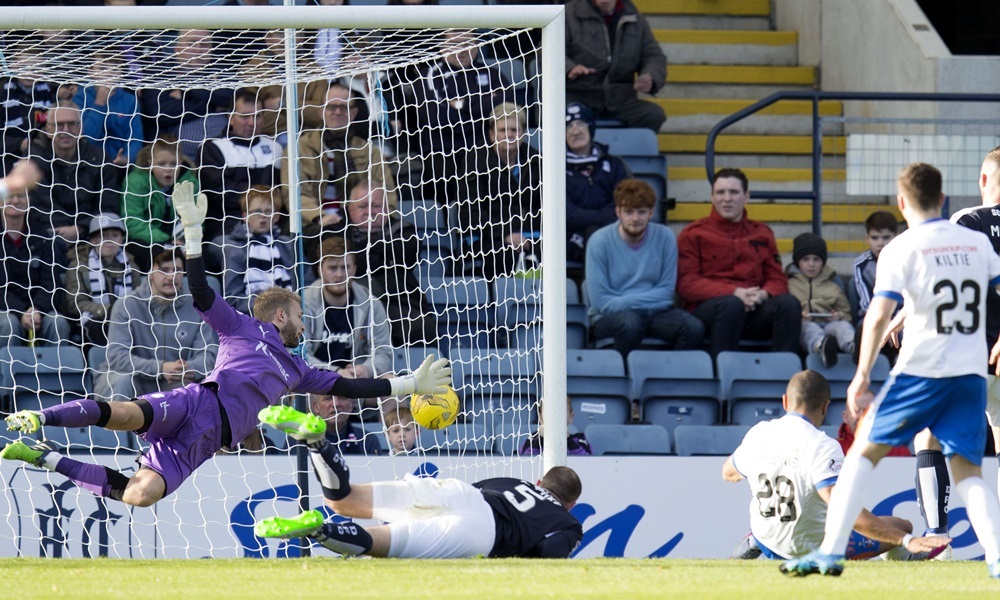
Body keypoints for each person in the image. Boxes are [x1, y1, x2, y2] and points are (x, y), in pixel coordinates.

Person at [1, 180, 451, 508]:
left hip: (203, 443)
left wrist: (410, 382)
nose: (303, 324)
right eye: (298, 317)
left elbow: (350, 389)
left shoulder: (297, 370)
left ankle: (43, 456)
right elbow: (199, 293)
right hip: (194, 403)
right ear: (281, 316)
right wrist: (193, 236)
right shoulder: (239, 327)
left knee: (140, 495)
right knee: (124, 414)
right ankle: (39, 417)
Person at [780, 163, 1000, 579]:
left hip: (923, 370)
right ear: (942, 199)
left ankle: (828, 553)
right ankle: (996, 556)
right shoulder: (976, 245)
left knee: (862, 454)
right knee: (968, 470)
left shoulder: (902, 247)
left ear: (902, 203)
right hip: (970, 372)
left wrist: (862, 374)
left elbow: (878, 315)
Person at [254, 404, 583, 559]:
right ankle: (317, 530)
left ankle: (318, 444)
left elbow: (480, 491)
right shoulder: (567, 521)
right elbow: (549, 550)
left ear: (539, 481)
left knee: (343, 500)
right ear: (571, 504)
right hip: (483, 534)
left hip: (460, 493)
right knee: (380, 542)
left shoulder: (513, 481)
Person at [724, 370, 937, 561]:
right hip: (809, 549)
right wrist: (905, 539)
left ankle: (754, 540)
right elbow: (844, 509)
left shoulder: (759, 433)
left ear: (785, 402)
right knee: (902, 527)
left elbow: (728, 472)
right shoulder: (822, 445)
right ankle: (908, 558)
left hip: (766, 537)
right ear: (826, 406)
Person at [677, 168, 801, 355]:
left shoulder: (762, 233)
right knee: (730, 304)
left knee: (789, 304)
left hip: (754, 310)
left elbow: (777, 280)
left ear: (746, 196)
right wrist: (734, 293)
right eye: (720, 192)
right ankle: (723, 375)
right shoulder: (693, 234)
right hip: (710, 312)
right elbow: (687, 284)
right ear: (712, 196)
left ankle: (784, 376)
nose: (727, 198)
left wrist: (762, 295)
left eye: (734, 192)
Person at [586, 179, 704, 357]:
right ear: (618, 212)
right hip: (612, 316)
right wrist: (642, 303)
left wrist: (631, 301)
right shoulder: (599, 241)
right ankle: (623, 380)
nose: (635, 218)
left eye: (641, 212)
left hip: (656, 312)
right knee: (630, 323)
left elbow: (666, 291)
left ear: (651, 212)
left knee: (693, 327)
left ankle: (671, 380)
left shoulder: (665, 236)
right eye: (629, 212)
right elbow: (600, 302)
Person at [93, 248, 217, 401]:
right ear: (150, 272)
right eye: (164, 270)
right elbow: (117, 357)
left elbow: (209, 355)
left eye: (177, 270)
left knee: (187, 391)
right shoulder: (126, 305)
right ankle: (116, 424)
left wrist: (186, 368)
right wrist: (161, 368)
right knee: (122, 382)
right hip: (130, 379)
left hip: (171, 381)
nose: (172, 276)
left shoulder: (196, 306)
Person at [285, 82, 398, 243]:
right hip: (317, 225)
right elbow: (295, 194)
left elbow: (388, 194)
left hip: (364, 224)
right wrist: (319, 217)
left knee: (406, 237)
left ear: (353, 113)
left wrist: (372, 218)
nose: (337, 112)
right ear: (320, 111)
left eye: (344, 107)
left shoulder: (370, 151)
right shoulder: (300, 148)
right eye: (331, 107)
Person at [950, 145, 1000, 502]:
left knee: (932, 438)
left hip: (969, 352)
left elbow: (944, 281)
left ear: (983, 178)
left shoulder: (967, 219)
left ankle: (938, 534)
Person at [410, 29, 512, 203]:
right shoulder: (428, 76)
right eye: (455, 44)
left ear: (477, 47)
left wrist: (460, 105)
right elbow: (436, 118)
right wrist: (484, 105)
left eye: (467, 44)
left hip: (484, 147)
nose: (462, 50)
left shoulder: (492, 74)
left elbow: (508, 107)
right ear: (442, 48)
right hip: (444, 151)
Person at [341, 181, 436, 346]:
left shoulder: (404, 230)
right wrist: (385, 253)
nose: (370, 212)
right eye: (362, 206)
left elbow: (407, 253)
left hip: (398, 306)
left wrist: (359, 252)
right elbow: (335, 259)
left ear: (387, 209)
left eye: (376, 206)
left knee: (422, 326)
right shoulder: (336, 231)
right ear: (349, 209)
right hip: (352, 307)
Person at [459, 102, 541, 278]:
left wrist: (522, 235)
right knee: (506, 257)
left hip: (529, 235)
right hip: (488, 238)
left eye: (514, 130)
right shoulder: (475, 163)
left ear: (523, 134)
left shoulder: (536, 162)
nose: (509, 135)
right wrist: (505, 235)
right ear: (491, 134)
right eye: (503, 130)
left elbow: (543, 209)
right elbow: (469, 214)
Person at [28, 101, 123, 245]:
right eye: (59, 125)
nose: (66, 130)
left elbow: (107, 205)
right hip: (49, 233)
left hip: (91, 233)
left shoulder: (100, 159)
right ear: (48, 130)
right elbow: (39, 206)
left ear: (80, 128)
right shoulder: (33, 159)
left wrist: (80, 228)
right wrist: (68, 230)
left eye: (72, 124)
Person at [564, 0, 666, 132]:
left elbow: (654, 56)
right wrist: (570, 68)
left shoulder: (635, 18)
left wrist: (650, 77)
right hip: (579, 95)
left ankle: (624, 151)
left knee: (653, 115)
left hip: (620, 100)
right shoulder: (568, 14)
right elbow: (545, 50)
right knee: (559, 113)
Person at [197, 88, 284, 240]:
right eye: (245, 116)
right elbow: (219, 195)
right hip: (227, 224)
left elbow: (281, 191)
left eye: (257, 116)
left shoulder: (275, 148)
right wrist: (258, 198)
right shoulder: (212, 147)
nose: (252, 122)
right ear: (230, 117)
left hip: (271, 221)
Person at [303, 235, 393, 379]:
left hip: (357, 382)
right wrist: (336, 372)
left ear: (354, 269)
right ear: (320, 270)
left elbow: (383, 353)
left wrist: (365, 369)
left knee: (393, 389)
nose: (340, 274)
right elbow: (300, 357)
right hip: (318, 382)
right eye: (332, 268)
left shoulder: (371, 305)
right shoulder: (302, 304)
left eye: (345, 267)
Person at [139, 29, 233, 159]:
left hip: (224, 155)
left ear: (211, 50)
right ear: (177, 49)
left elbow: (232, 98)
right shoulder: (158, 75)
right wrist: (212, 107)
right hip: (177, 159)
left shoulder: (223, 74)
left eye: (204, 44)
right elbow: (159, 112)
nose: (198, 49)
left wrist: (186, 92)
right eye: (192, 43)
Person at [206, 185, 298, 315]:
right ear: (245, 216)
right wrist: (268, 307)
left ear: (276, 217)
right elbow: (233, 298)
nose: (262, 216)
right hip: (251, 317)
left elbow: (306, 283)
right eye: (256, 211)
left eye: (268, 211)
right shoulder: (234, 248)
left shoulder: (287, 245)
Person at [0, 187, 70, 346]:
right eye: (10, 196)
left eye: (21, 196)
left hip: (38, 309)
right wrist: (21, 312)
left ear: (29, 200)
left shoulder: (43, 237)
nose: (16, 200)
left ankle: (55, 371)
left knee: (58, 323)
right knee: (7, 324)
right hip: (5, 309)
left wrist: (36, 309)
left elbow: (51, 283)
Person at [120, 136, 200, 272]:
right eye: (162, 164)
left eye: (173, 164)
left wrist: (186, 239)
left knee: (201, 256)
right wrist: (166, 240)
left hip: (180, 239)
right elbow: (132, 223)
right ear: (150, 163)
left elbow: (197, 220)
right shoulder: (135, 182)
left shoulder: (190, 183)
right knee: (152, 253)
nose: (168, 169)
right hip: (148, 239)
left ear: (181, 162)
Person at [565, 102, 629, 266]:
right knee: (593, 235)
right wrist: (600, 218)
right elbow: (565, 212)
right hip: (570, 235)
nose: (576, 131)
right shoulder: (554, 167)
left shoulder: (614, 164)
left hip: (612, 229)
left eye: (581, 124)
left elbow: (625, 201)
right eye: (569, 126)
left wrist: (600, 220)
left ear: (591, 128)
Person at [63, 212, 139, 347]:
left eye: (115, 236)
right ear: (93, 240)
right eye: (103, 236)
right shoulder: (78, 266)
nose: (109, 241)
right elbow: (75, 303)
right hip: (91, 321)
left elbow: (139, 298)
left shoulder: (131, 266)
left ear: (121, 239)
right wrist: (108, 310)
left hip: (127, 318)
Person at [785, 233, 855, 368]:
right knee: (808, 328)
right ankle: (821, 347)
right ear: (797, 261)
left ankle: (853, 346)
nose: (811, 264)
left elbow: (846, 313)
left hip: (829, 325)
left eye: (816, 259)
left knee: (842, 327)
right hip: (802, 325)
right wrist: (798, 316)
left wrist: (838, 317)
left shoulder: (833, 286)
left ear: (823, 261)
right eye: (806, 259)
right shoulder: (789, 284)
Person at [74, 52, 144, 165]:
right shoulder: (80, 98)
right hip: (86, 162)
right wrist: (99, 103)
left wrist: (127, 158)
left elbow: (135, 136)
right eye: (102, 68)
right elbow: (85, 138)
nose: (109, 74)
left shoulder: (130, 101)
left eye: (115, 69)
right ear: (90, 71)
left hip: (119, 163)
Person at [852, 210, 899, 325]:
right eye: (875, 238)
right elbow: (866, 303)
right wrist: (884, 321)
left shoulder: (905, 260)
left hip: (902, 319)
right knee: (863, 327)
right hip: (872, 318)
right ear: (866, 238)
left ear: (896, 237)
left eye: (886, 237)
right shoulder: (861, 264)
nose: (880, 243)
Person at [837, 389, 909, 458]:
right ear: (845, 417)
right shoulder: (834, 448)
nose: (862, 415)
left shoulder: (899, 451)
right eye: (856, 410)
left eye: (868, 410)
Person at [307, 392, 382, 455]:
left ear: (351, 405)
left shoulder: (368, 441)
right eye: (328, 398)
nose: (335, 404)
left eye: (342, 398)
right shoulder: (301, 441)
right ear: (316, 407)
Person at [519, 397, 592, 457]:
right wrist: (541, 440)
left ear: (571, 417)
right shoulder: (533, 438)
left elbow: (587, 461)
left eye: (560, 411)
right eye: (549, 411)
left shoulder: (580, 439)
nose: (555, 416)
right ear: (540, 418)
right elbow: (526, 460)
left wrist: (568, 440)